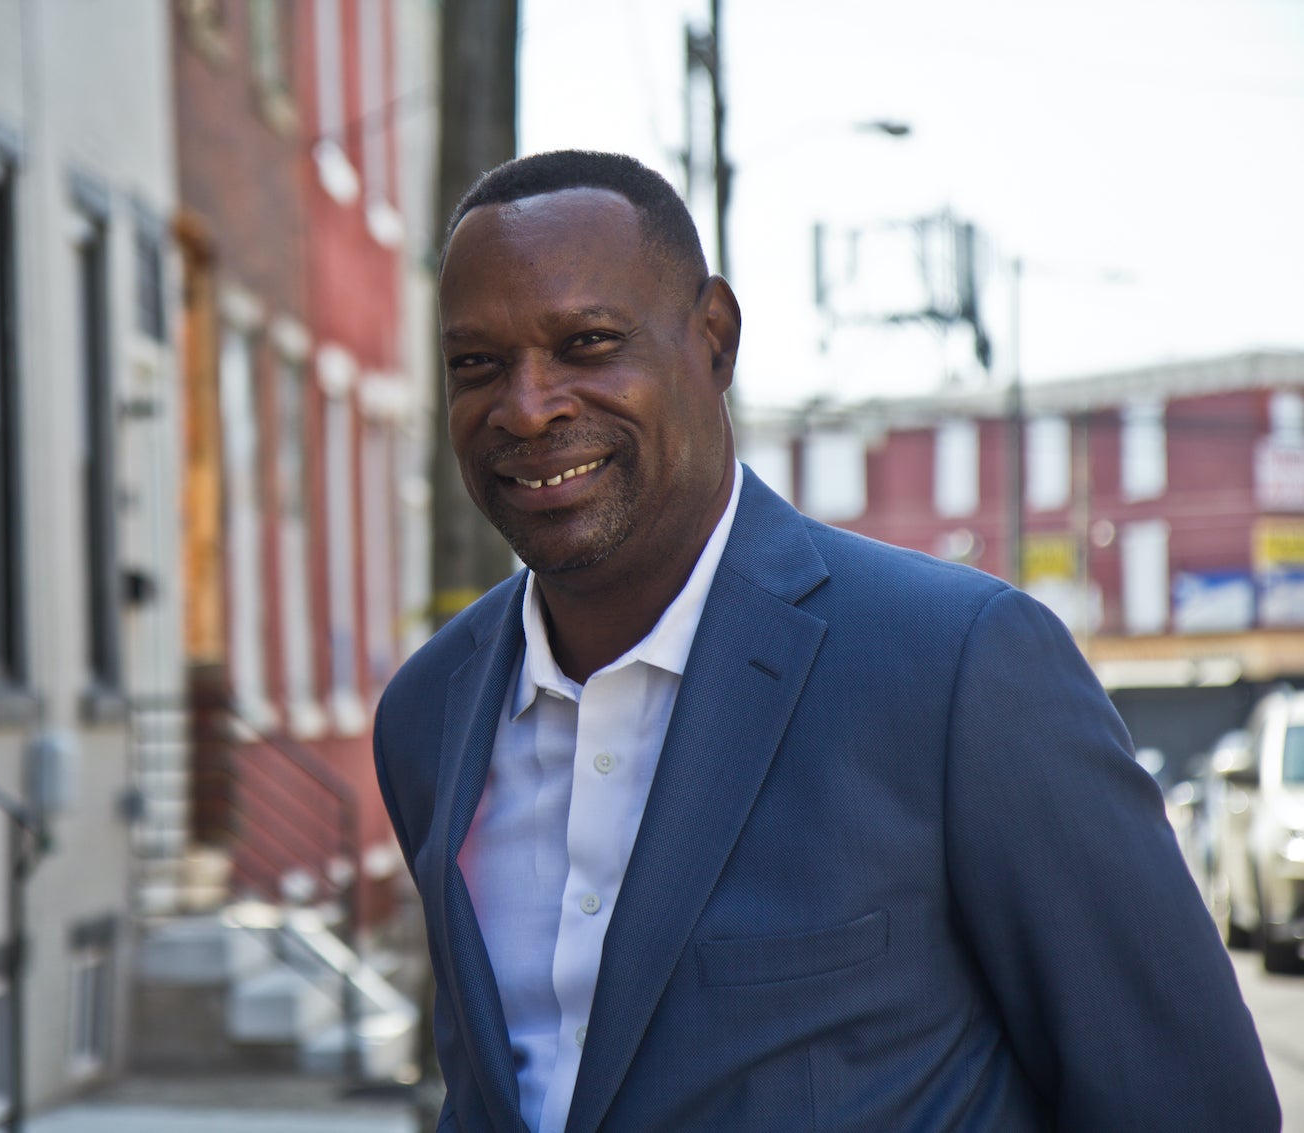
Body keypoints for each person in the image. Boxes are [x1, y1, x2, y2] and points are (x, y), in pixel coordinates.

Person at [372, 150, 1279, 1132]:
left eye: (588, 342)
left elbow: (1191, 1103)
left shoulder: (958, 668)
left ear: (712, 340)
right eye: (477, 362)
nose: (528, 404)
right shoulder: (431, 714)